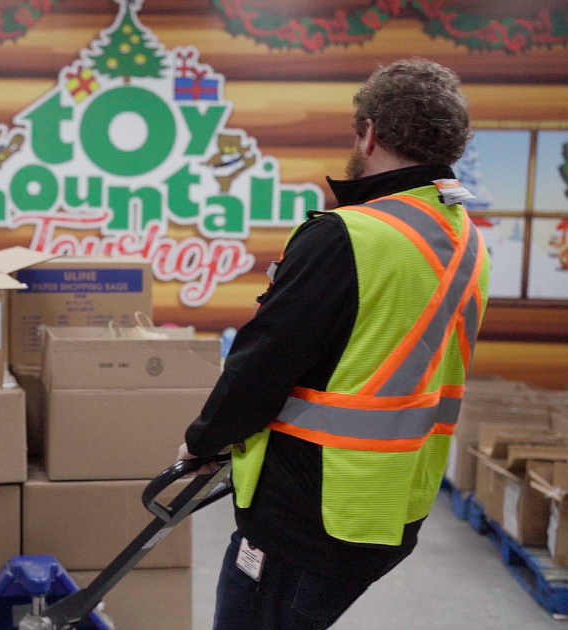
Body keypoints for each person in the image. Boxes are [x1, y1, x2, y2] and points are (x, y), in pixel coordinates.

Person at [178, 58, 491, 630]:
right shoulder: (466, 241)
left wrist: (203, 442)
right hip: (391, 507)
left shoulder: (348, 235)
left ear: (369, 132)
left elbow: (264, 362)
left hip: (307, 514)